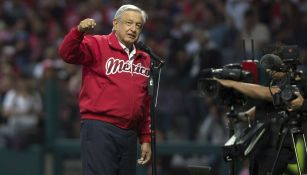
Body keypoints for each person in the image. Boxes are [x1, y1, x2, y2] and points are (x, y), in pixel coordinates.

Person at [58, 4, 152, 175]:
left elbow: (144, 101)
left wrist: (145, 137)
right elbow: (66, 53)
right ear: (115, 24)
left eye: (138, 25)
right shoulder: (97, 44)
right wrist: (78, 31)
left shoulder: (144, 58)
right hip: (100, 127)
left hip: (130, 133)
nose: (133, 29)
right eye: (129, 23)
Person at [214, 54, 307, 175]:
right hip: (260, 144)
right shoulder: (272, 82)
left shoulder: (294, 84)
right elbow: (259, 108)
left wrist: (232, 84)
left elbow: (267, 93)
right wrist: (240, 117)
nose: (269, 71)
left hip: (278, 144)